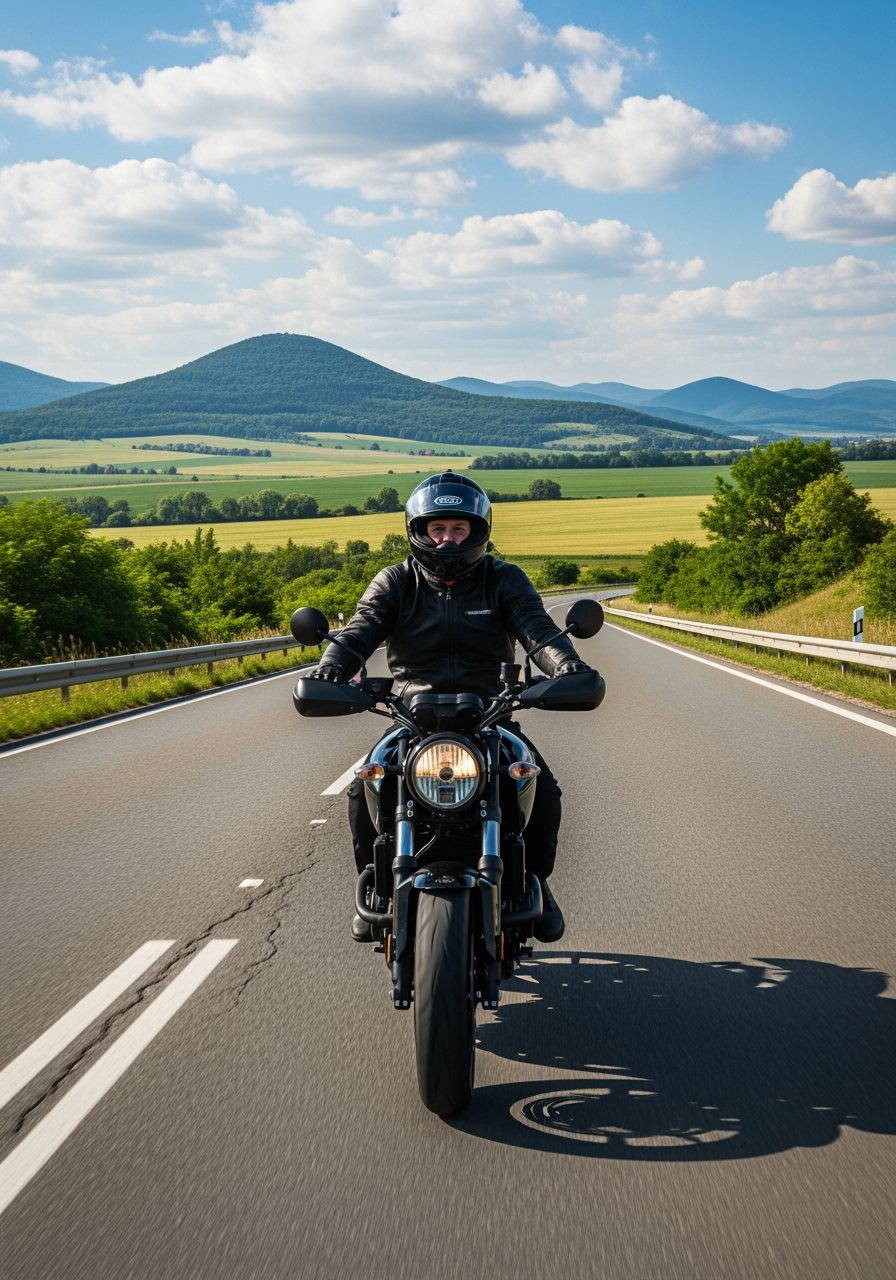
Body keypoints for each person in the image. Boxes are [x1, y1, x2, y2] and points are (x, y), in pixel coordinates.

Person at [310, 470, 600, 944]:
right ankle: (376, 883)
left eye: (458, 529)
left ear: (477, 531)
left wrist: (567, 667)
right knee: (366, 789)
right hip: (411, 719)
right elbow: (358, 632)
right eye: (437, 529)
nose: (447, 540)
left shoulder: (503, 579)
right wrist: (330, 670)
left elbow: (539, 632)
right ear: (418, 530)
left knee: (542, 789)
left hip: (489, 714)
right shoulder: (395, 582)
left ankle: (535, 880)